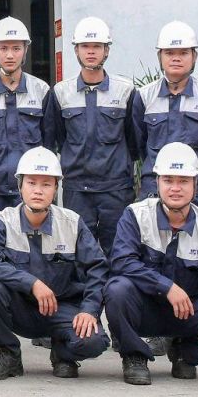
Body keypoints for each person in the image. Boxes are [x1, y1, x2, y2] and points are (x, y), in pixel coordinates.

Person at [106, 143, 198, 385]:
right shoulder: (136, 216)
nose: (175, 188)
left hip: (188, 312)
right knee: (116, 290)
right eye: (168, 180)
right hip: (145, 309)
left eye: (183, 181)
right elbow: (122, 261)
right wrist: (167, 287)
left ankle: (185, 355)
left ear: (195, 184)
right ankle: (134, 356)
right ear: (157, 182)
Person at [0, 147, 110, 381]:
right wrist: (32, 283)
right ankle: (8, 355)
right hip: (21, 308)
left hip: (62, 307)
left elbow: (98, 269)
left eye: (46, 184)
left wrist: (89, 310)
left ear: (56, 188)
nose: (38, 190)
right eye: (31, 183)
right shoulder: (2, 221)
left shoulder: (72, 223)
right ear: (20, 186)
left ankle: (63, 353)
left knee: (94, 341)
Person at [50, 16, 140, 254]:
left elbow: (134, 141)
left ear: (106, 50)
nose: (91, 52)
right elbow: (58, 139)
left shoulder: (126, 91)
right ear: (76, 50)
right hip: (77, 190)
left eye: (97, 46)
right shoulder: (61, 93)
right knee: (80, 252)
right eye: (85, 46)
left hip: (116, 189)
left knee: (120, 251)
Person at [134, 21, 198, 216]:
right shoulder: (144, 97)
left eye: (183, 53)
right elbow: (138, 144)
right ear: (160, 56)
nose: (176, 58)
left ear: (194, 56)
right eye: (169, 53)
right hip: (155, 190)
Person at [0, 17, 55, 221]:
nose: (10, 55)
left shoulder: (41, 91)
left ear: (26, 49)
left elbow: (49, 142)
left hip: (30, 190)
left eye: (16, 48)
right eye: (3, 48)